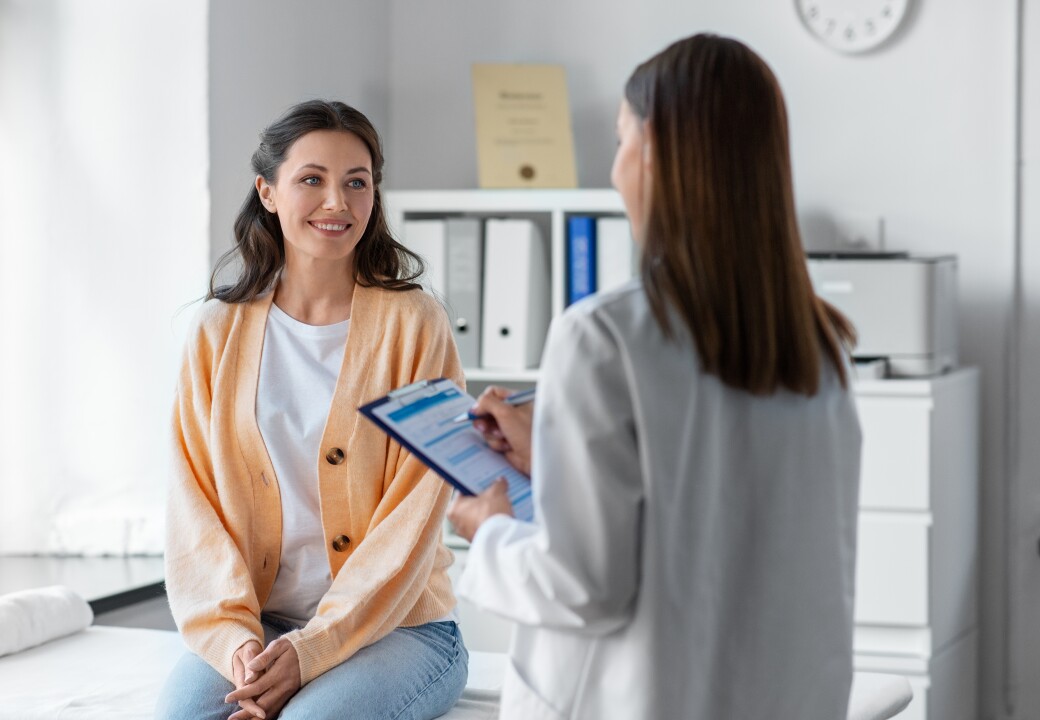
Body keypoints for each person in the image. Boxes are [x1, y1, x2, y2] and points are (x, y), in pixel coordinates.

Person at [446, 34, 863, 720]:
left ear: (659, 147)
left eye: (620, 141)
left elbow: (582, 584)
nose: (615, 172)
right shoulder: (819, 346)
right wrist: (552, 457)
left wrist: (486, 529)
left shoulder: (603, 335)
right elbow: (715, 511)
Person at [156, 100, 468, 720]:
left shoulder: (417, 325)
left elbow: (417, 510)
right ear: (267, 192)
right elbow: (193, 506)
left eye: (357, 182)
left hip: (400, 628)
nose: (337, 202)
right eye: (312, 180)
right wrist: (237, 641)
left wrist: (314, 649)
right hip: (259, 625)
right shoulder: (216, 330)